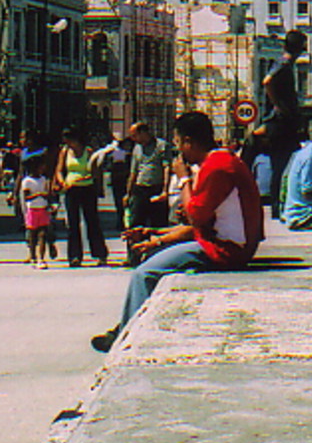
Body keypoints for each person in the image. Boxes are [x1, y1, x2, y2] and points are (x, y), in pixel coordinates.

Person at [92, 112, 264, 351]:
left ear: (188, 142)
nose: (178, 152)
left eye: (178, 143)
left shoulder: (216, 167)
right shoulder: (225, 161)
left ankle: (125, 336)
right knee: (152, 260)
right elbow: (201, 224)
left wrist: (184, 180)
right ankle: (124, 325)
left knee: (144, 274)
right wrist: (156, 236)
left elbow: (195, 217)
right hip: (225, 243)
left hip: (226, 250)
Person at [253, 29, 307, 208]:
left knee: (284, 163)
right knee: (282, 164)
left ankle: (281, 202)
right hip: (281, 122)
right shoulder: (284, 64)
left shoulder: (286, 64)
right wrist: (279, 106)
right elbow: (267, 81)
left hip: (284, 120)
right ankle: (278, 204)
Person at [53, 126, 108, 267]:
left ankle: (100, 254)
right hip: (71, 189)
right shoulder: (65, 152)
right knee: (73, 223)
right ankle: (75, 255)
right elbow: (59, 170)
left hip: (87, 188)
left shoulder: (88, 152)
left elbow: (96, 171)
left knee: (92, 221)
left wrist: (95, 184)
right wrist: (62, 181)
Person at [125, 121, 177, 229]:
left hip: (156, 188)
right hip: (140, 188)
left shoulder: (161, 146)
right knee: (136, 221)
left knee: (158, 222)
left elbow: (167, 168)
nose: (133, 139)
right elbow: (133, 171)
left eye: (135, 135)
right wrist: (128, 193)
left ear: (143, 132)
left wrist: (165, 190)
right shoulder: (137, 148)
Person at [19, 155, 54, 268]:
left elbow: (47, 194)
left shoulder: (43, 179)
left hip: (42, 209)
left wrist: (50, 203)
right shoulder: (27, 181)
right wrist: (37, 195)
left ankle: (41, 258)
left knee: (42, 234)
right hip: (32, 210)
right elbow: (26, 197)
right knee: (32, 235)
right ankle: (33, 255)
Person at [94, 134, 133, 223]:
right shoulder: (119, 153)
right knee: (120, 202)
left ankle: (124, 220)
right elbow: (118, 167)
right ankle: (121, 220)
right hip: (120, 180)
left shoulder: (130, 153)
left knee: (124, 202)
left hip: (123, 180)